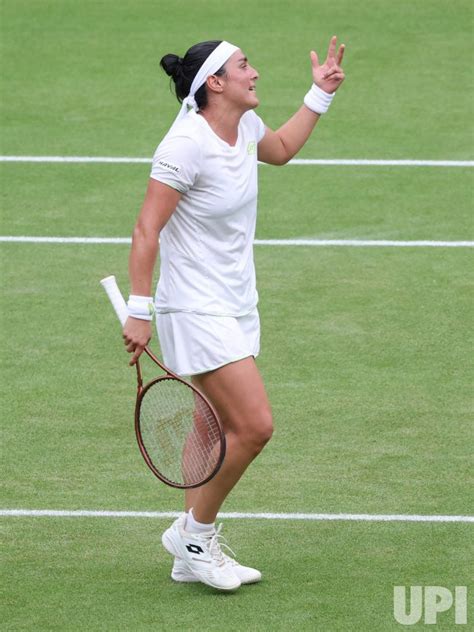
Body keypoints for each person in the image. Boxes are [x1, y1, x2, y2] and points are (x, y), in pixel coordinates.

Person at [123, 37, 345, 591]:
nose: (255, 72)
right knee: (254, 426)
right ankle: (196, 533)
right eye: (243, 66)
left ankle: (188, 552)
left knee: (212, 423)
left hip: (237, 300)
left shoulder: (244, 127)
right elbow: (146, 228)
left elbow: (282, 149)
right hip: (195, 306)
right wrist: (139, 308)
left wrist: (319, 95)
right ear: (214, 83)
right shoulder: (184, 146)